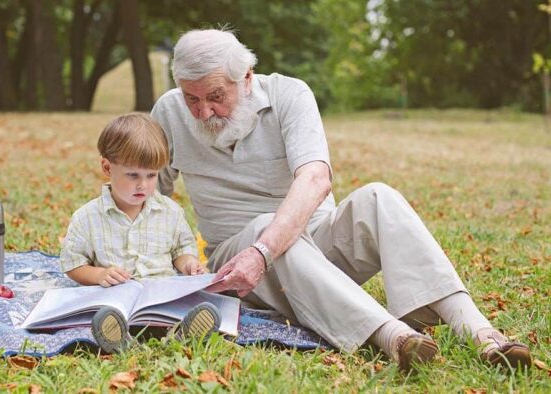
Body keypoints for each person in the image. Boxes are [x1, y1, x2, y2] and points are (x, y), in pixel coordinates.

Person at [151, 29, 531, 371]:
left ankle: (480, 332)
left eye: (216, 97)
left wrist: (264, 251)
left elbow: (315, 178)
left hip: (312, 246)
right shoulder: (168, 112)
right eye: (192, 99)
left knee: (379, 197)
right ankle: (394, 338)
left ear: (246, 78)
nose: (203, 112)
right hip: (240, 269)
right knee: (267, 227)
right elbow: (150, 195)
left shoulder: (289, 94)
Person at [59, 113, 221, 353]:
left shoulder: (170, 211)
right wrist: (100, 274)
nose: (142, 185)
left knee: (184, 308)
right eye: (133, 175)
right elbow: (73, 264)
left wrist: (189, 265)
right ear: (107, 167)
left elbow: (182, 250)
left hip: (160, 301)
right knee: (105, 317)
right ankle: (119, 340)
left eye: (151, 175)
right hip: (115, 301)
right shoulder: (87, 217)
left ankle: (182, 336)